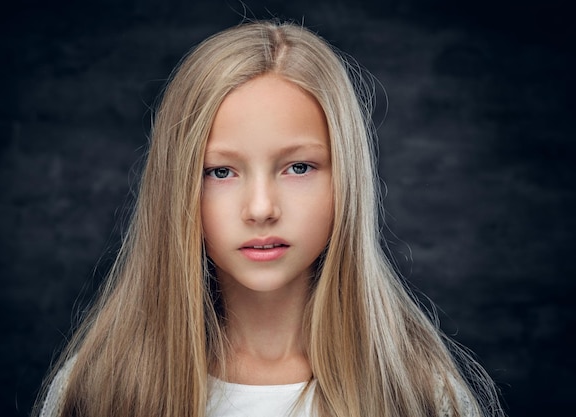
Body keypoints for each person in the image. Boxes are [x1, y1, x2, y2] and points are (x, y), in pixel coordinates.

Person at [34, 20, 504, 417]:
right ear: (175, 189)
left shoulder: (418, 395)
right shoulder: (97, 391)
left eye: (298, 167)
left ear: (347, 180)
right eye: (220, 171)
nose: (261, 209)